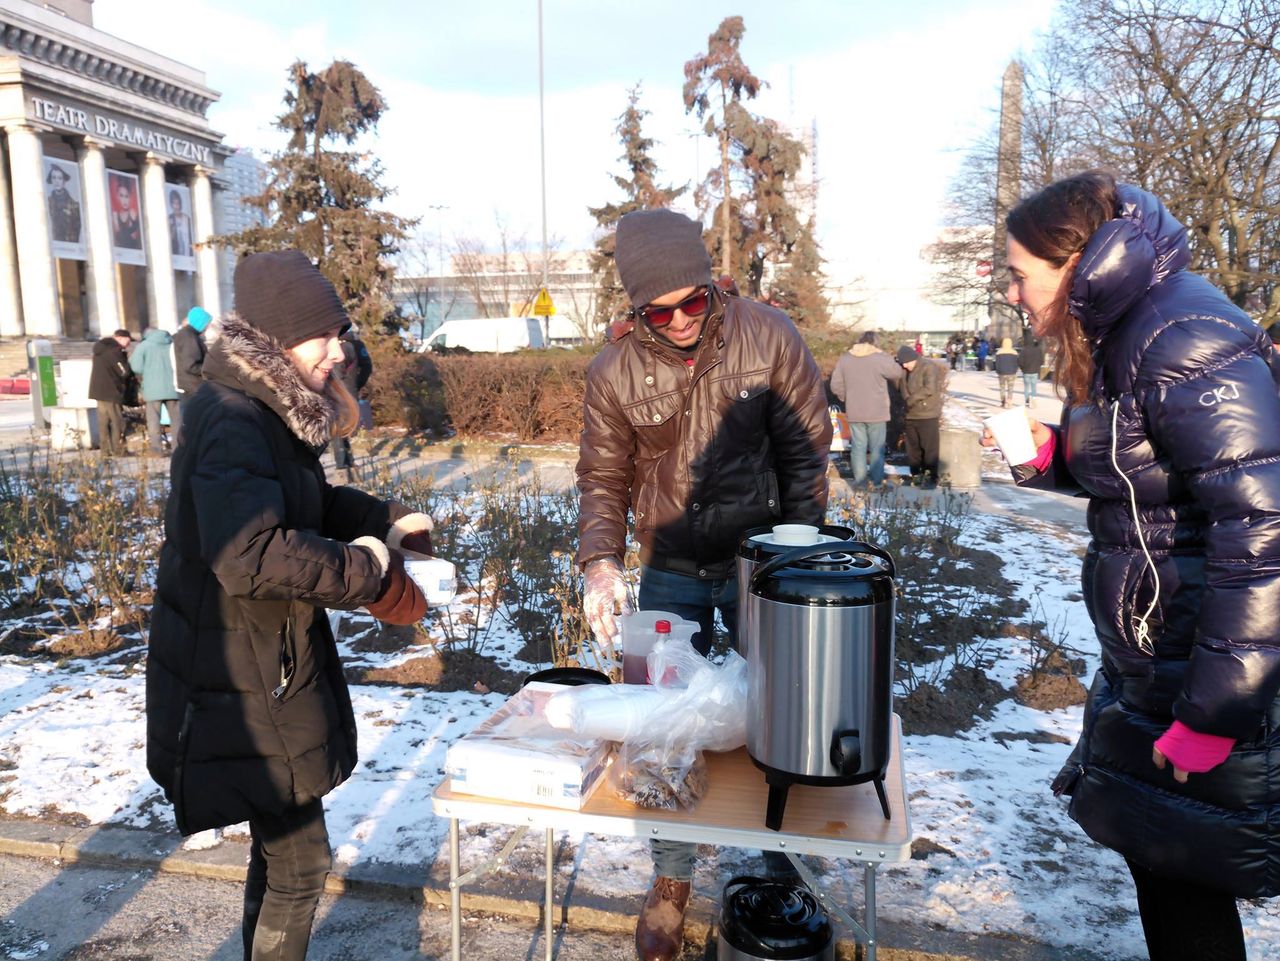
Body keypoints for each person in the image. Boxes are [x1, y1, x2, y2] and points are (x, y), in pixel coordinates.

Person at [984, 170, 1280, 961]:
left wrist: (1213, 715)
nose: (1011, 293)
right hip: (1161, 656)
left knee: (1186, 887)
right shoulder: (1127, 332)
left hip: (1201, 669)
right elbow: (1143, 470)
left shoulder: (1182, 333)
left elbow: (1261, 531)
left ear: (1074, 260)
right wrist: (1048, 456)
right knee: (1167, 873)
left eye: (1018, 273)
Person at [146, 249, 436, 961]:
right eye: (322, 334)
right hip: (236, 681)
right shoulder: (233, 417)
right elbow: (250, 552)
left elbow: (303, 501)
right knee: (301, 864)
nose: (339, 348)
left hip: (258, 665)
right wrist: (367, 572)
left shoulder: (265, 407)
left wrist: (383, 518)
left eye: (339, 330)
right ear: (275, 341)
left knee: (281, 855)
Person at [575, 208, 831, 961]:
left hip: (763, 566)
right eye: (661, 310)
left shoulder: (769, 334)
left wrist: (797, 558)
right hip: (670, 568)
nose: (682, 319)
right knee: (659, 730)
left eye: (694, 300)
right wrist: (599, 560)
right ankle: (672, 879)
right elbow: (602, 477)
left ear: (711, 286)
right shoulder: (613, 369)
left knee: (778, 714)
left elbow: (805, 450)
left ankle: (777, 864)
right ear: (635, 309)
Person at [829, 330, 902, 487]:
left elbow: (835, 385)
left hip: (854, 411)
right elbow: (897, 372)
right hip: (877, 412)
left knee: (858, 448)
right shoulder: (879, 358)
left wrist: (846, 398)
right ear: (875, 343)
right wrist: (883, 354)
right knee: (877, 449)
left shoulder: (845, 359)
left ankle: (860, 482)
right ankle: (876, 483)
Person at [895, 345, 944, 486]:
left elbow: (930, 388)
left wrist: (911, 399)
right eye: (902, 363)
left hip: (927, 414)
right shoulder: (904, 370)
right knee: (913, 449)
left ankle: (930, 478)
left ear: (913, 359)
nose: (904, 365)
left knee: (929, 449)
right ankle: (916, 475)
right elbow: (902, 387)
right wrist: (906, 400)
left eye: (906, 362)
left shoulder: (928, 367)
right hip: (911, 414)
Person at [129, 326, 181, 455]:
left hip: (152, 388)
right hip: (173, 387)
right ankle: (178, 450)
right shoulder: (173, 344)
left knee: (153, 420)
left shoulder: (144, 346)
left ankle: (157, 450)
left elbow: (136, 367)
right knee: (177, 420)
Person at [332, 326, 373, 478]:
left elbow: (336, 374)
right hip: (351, 390)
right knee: (344, 429)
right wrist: (356, 384)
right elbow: (367, 367)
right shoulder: (358, 345)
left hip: (337, 392)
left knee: (336, 429)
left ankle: (342, 467)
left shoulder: (339, 347)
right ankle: (350, 465)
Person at [88, 328, 135, 457]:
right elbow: (124, 371)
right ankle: (119, 450)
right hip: (111, 391)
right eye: (128, 341)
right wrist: (126, 360)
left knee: (103, 421)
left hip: (98, 391)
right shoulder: (115, 351)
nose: (129, 344)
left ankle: (105, 450)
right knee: (117, 421)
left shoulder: (101, 349)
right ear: (121, 338)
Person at [173, 306, 211, 412]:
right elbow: (191, 365)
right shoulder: (189, 337)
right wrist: (209, 370)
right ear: (200, 322)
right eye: (206, 324)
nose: (207, 327)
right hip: (193, 386)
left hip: (190, 386)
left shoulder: (187, 335)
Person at [45, 163, 81, 244]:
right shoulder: (46, 203)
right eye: (54, 178)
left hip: (68, 248)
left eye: (60, 178)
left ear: (64, 181)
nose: (56, 181)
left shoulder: (74, 205)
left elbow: (77, 230)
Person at [110, 177, 141, 250]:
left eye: (126, 196)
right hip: (120, 252)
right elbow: (117, 236)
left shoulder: (133, 213)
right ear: (117, 196)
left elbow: (135, 236)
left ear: (130, 197)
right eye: (121, 196)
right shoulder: (115, 215)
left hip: (134, 251)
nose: (124, 200)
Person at [1017, 333, 1045, 406]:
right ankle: (1034, 399)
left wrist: (1023, 369)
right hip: (1035, 371)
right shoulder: (1038, 350)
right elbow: (1041, 361)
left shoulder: (1024, 350)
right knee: (1034, 387)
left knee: (1026, 387)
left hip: (1026, 371)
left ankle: (1027, 401)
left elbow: (1020, 361)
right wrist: (1037, 367)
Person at [992, 337, 1020, 408]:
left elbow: (997, 363)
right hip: (1011, 373)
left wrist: (998, 371)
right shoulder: (1014, 352)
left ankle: (1003, 401)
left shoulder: (999, 352)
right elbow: (1016, 363)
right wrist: (1015, 370)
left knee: (1002, 387)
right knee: (1010, 388)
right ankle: (1009, 401)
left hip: (1001, 373)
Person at [168, 188, 193, 258]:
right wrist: (172, 228)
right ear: (171, 204)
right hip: (176, 254)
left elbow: (191, 237)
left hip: (187, 253)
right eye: (174, 203)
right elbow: (169, 238)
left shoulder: (187, 218)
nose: (176, 206)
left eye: (178, 203)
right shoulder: (170, 218)